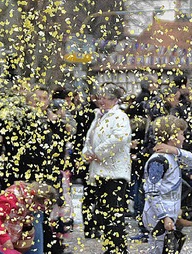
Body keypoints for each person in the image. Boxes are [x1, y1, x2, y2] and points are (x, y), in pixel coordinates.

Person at [82, 82, 131, 254]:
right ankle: (110, 246)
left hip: (115, 172)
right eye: (101, 97)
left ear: (115, 100)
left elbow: (119, 139)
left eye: (107, 98)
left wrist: (98, 153)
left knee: (114, 213)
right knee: (103, 212)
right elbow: (89, 138)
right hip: (99, 171)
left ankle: (118, 248)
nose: (102, 101)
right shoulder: (99, 116)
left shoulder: (120, 117)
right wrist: (87, 153)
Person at [142, 115, 192, 254]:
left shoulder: (172, 156)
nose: (184, 138)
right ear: (172, 135)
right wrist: (164, 216)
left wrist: (175, 150)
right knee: (158, 248)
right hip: (158, 214)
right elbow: (152, 191)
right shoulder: (159, 160)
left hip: (168, 212)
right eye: (181, 134)